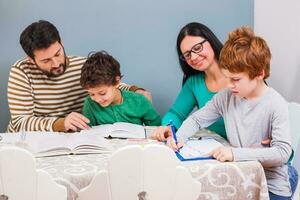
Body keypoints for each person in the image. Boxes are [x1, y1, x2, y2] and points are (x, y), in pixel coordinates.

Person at [164, 27, 298, 199]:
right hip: (239, 177)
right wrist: (179, 137)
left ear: (259, 74)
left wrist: (235, 153)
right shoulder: (227, 96)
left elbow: (282, 153)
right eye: (227, 78)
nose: (229, 85)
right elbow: (197, 120)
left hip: (269, 184)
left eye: (235, 79)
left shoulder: (275, 104)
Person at [7, 20, 152, 133]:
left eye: (58, 53)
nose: (56, 63)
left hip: (74, 138)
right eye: (46, 60)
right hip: (32, 141)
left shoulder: (80, 65)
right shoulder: (21, 71)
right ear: (31, 59)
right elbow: (20, 122)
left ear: (61, 43)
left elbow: (108, 85)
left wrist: (135, 90)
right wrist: (60, 123)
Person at [151, 22, 228, 140]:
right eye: (187, 55)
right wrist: (168, 127)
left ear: (211, 41)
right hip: (213, 148)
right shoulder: (194, 83)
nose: (193, 57)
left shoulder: (239, 75)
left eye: (197, 48)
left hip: (243, 148)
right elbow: (176, 113)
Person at [80, 51, 161, 126]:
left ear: (116, 82)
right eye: (92, 94)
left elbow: (156, 127)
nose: (98, 99)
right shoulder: (90, 104)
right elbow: (88, 133)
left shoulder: (139, 101)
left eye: (102, 93)